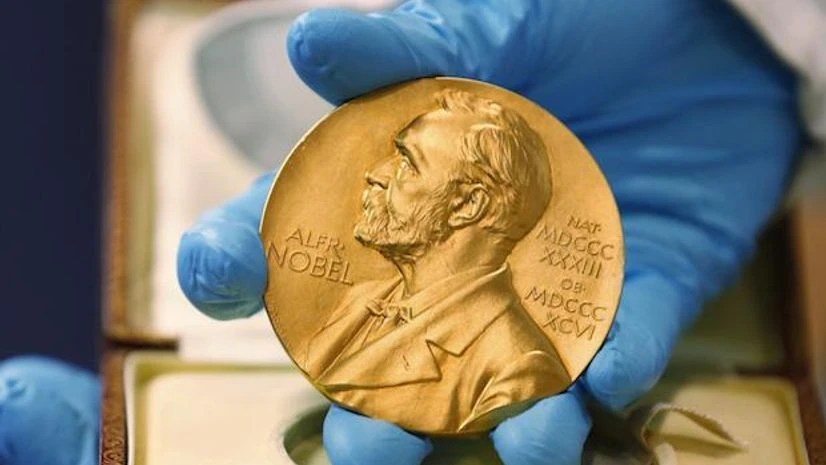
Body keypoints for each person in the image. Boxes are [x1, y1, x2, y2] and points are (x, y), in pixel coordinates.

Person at [3, 0, 824, 464]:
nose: (369, 175)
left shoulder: (513, 363)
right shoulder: (356, 319)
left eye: (402, 160)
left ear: (467, 207)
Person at [303, 89, 568, 434]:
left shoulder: (518, 368)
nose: (376, 173)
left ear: (467, 205)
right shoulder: (359, 302)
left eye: (406, 163)